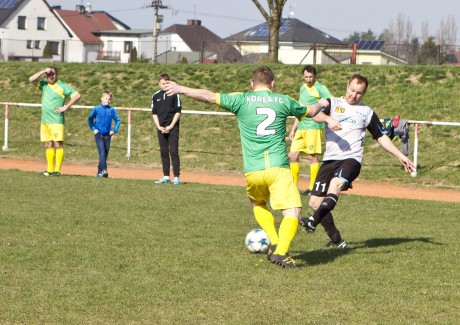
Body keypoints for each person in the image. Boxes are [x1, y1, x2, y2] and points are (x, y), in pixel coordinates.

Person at [164, 66, 338, 268]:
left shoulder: (242, 99)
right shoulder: (282, 100)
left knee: (258, 204)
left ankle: (273, 242)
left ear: (252, 84)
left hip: (253, 170)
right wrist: (323, 102)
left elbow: (209, 96)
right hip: (278, 168)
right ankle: (281, 252)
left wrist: (181, 88)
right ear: (272, 84)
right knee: (293, 212)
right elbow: (311, 111)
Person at [300, 74, 415, 248]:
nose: (354, 95)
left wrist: (401, 156)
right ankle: (337, 240)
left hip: (351, 159)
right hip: (330, 160)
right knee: (314, 202)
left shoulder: (366, 112)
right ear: (347, 86)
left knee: (336, 185)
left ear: (364, 93)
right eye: (352, 90)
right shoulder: (332, 103)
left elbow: (381, 137)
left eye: (359, 93)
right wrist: (328, 118)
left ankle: (312, 222)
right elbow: (314, 111)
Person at [29, 66, 81, 176]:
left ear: (56, 75)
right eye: (49, 74)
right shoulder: (44, 85)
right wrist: (43, 71)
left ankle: (57, 171)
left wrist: (66, 106)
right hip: (45, 121)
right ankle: (49, 170)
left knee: (58, 144)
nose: (51, 76)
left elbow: (77, 95)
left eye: (53, 74)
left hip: (56, 120)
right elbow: (31, 79)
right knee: (48, 144)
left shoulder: (62, 86)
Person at [288, 65, 331, 196]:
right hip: (301, 127)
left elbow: (331, 102)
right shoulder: (302, 88)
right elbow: (301, 109)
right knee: (292, 156)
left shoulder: (320, 88)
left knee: (312, 157)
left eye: (310, 76)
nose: (308, 79)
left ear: (315, 76)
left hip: (313, 127)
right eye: (306, 77)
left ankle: (312, 188)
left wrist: (324, 117)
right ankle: (293, 188)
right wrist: (293, 128)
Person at [151, 73, 182, 185]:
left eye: (167, 83)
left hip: (173, 128)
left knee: (173, 151)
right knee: (164, 152)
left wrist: (171, 126)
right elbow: (154, 113)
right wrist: (159, 126)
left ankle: (177, 177)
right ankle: (166, 176)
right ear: (159, 83)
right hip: (161, 128)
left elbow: (178, 112)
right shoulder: (155, 96)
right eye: (163, 83)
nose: (165, 85)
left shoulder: (175, 95)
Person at [88, 91, 121, 178]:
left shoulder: (112, 110)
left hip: (108, 135)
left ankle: (99, 172)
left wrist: (114, 130)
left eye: (109, 99)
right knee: (102, 152)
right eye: (106, 98)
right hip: (99, 134)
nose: (107, 101)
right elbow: (90, 119)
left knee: (105, 154)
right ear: (102, 98)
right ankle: (104, 170)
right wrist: (93, 128)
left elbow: (118, 120)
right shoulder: (97, 108)